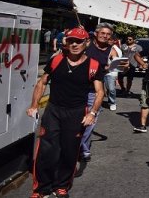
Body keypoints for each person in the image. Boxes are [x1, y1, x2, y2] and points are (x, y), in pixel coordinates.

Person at [26, 27, 105, 198]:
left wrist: (92, 113)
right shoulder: (56, 60)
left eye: (78, 41)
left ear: (87, 43)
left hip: (76, 112)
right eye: (71, 41)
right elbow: (42, 83)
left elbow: (100, 92)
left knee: (69, 151)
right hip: (53, 110)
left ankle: (61, 186)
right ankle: (41, 188)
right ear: (66, 42)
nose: (74, 44)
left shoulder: (93, 65)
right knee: (46, 150)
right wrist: (34, 105)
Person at [81, 22, 124, 162]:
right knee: (74, 120)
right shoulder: (87, 44)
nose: (105, 36)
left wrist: (123, 67)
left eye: (108, 34)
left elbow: (117, 67)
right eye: (103, 33)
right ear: (96, 33)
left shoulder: (112, 50)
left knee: (90, 122)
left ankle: (84, 149)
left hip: (95, 91)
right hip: (77, 88)